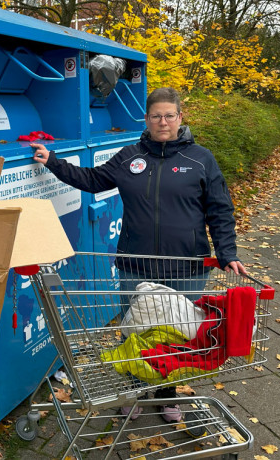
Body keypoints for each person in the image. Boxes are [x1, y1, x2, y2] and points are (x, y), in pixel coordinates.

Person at [30, 87, 245, 430]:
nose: (163, 122)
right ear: (146, 119)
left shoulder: (200, 159)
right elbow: (93, 179)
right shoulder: (129, 156)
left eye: (169, 115)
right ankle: (133, 393)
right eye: (156, 116)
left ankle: (167, 395)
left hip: (186, 269)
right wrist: (53, 162)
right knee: (134, 335)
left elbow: (220, 209)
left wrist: (227, 252)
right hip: (135, 267)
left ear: (180, 118)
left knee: (177, 338)